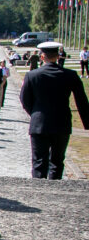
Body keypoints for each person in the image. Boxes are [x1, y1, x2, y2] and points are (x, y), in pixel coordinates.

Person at [19, 42, 89, 179]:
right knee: (57, 162)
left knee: (39, 162)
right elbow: (82, 101)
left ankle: (39, 193)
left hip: (39, 123)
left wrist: (35, 113)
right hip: (61, 123)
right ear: (58, 56)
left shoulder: (32, 75)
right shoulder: (70, 75)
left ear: (42, 57)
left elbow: (24, 100)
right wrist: (87, 122)